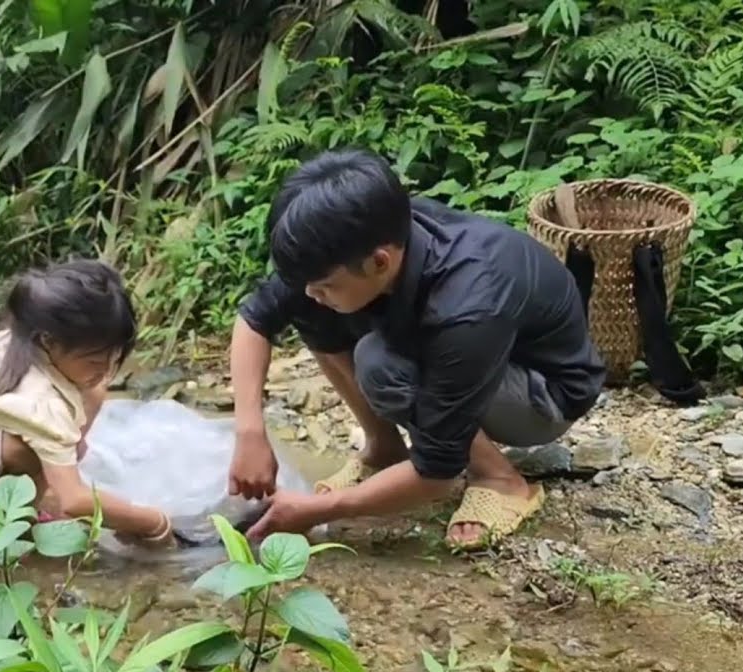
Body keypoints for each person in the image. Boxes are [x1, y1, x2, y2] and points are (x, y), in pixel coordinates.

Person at [228, 149, 606, 550]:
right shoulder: (359, 236)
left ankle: (501, 479)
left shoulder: (467, 303)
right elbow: (254, 321)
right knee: (311, 309)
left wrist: (319, 510)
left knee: (380, 365)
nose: (312, 291)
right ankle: (383, 449)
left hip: (541, 395)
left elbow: (437, 473)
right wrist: (250, 432)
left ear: (379, 262)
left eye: (324, 284)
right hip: (470, 357)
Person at [0, 259, 174, 548]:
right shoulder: (36, 400)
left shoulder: (25, 339)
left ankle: (34, 497)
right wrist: (153, 522)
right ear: (48, 341)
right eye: (94, 361)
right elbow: (74, 502)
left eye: (114, 358)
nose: (107, 371)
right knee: (25, 449)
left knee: (93, 392)